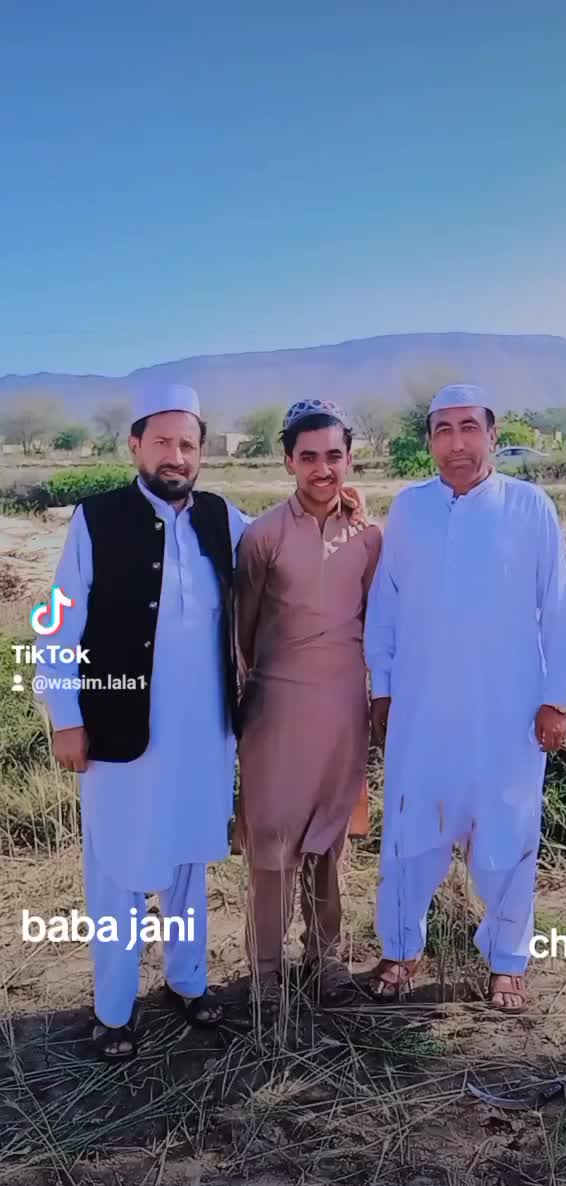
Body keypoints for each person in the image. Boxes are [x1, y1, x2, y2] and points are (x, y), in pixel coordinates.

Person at [364, 383, 566, 1013]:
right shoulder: (409, 509)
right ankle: (402, 949)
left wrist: (557, 698)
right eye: (443, 430)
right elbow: (386, 605)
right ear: (429, 441)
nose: (457, 442)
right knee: (409, 830)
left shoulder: (530, 507)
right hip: (422, 711)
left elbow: (559, 606)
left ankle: (507, 961)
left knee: (508, 832)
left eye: (469, 428)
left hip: (506, 712)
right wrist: (383, 688)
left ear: (492, 435)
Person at [41, 384, 249, 1060]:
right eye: (161, 441)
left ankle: (187, 983)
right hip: (119, 731)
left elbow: (285, 548)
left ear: (202, 453)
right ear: (135, 445)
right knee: (119, 867)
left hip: (204, 735)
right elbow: (55, 623)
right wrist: (64, 716)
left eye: (187, 444)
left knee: (187, 861)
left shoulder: (223, 518)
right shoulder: (95, 518)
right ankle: (113, 1010)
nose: (175, 455)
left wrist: (342, 511)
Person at [233, 398, 382, 1011]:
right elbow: (241, 634)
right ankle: (265, 976)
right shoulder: (263, 535)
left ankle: (328, 963)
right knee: (272, 842)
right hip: (276, 709)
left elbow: (377, 624)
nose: (323, 469)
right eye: (310, 457)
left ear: (349, 459)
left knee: (329, 840)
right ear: (289, 461)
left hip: (344, 709)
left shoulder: (369, 536)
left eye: (334, 456)